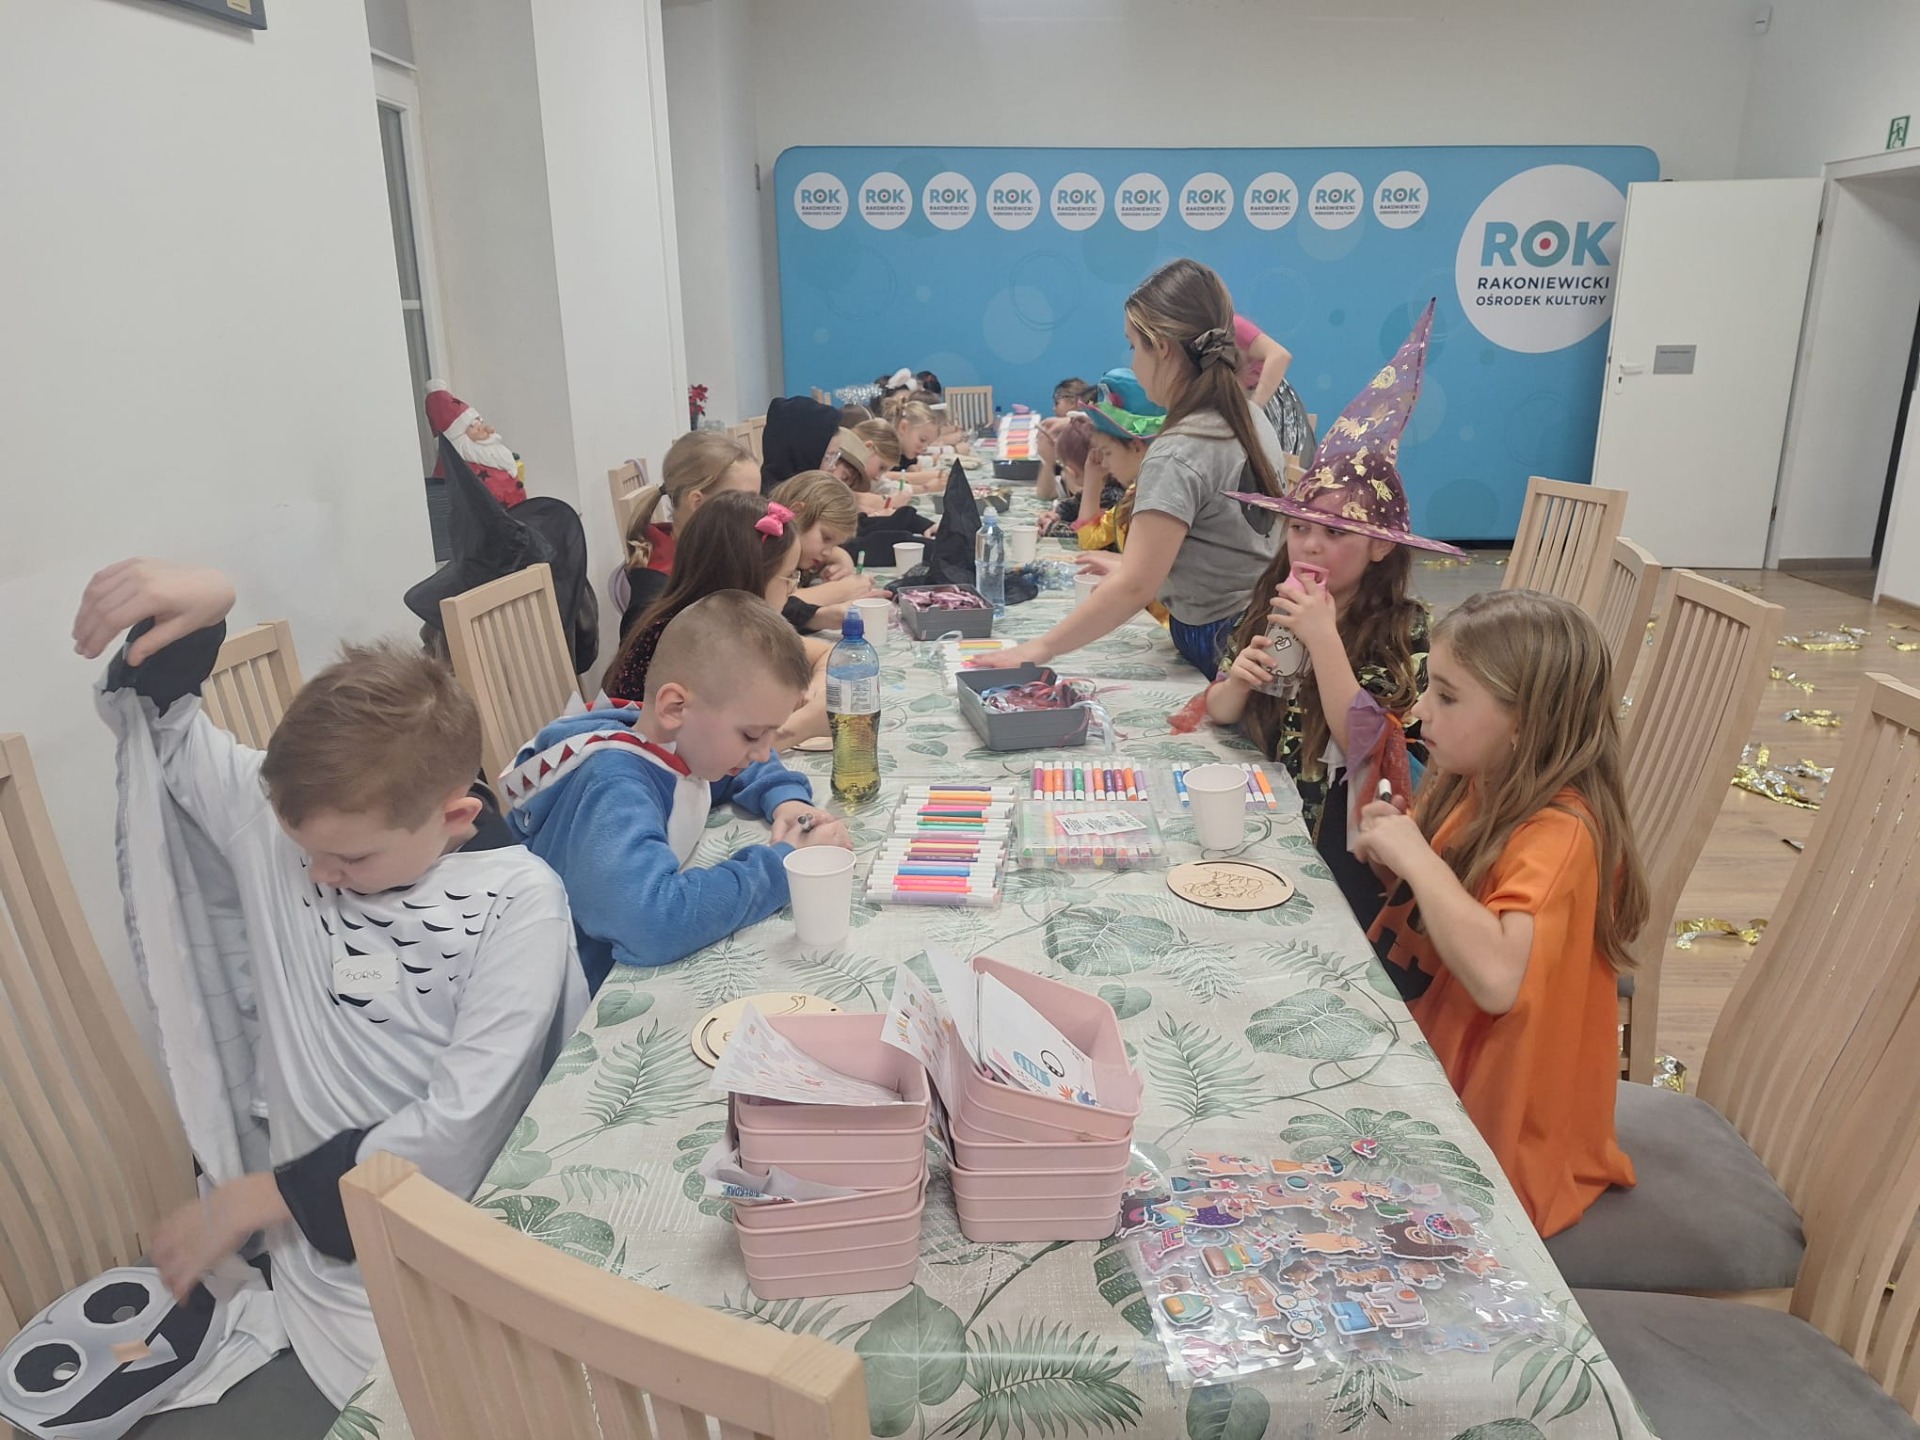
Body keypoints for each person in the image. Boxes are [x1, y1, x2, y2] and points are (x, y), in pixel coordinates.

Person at [74, 558, 586, 1406]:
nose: (316, 875)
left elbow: (463, 1124)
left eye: (349, 859)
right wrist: (207, 613)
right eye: (303, 849)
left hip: (451, 1258)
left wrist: (263, 1196)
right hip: (310, 1267)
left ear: (456, 816)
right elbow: (168, 731)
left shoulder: (516, 903)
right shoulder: (291, 829)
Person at [1358, 589, 1647, 1238]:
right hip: (1428, 1081)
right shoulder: (1478, 779)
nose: (1420, 710)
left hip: (1495, 1152)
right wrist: (1396, 856)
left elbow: (1495, 981)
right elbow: (1442, 918)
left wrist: (1419, 860)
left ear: (1526, 721)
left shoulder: (1561, 834)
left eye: (1447, 696)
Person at [1206, 301, 1458, 923]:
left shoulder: (1403, 628)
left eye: (1336, 533)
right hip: (1272, 821)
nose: (1311, 546)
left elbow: (1373, 750)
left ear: (1380, 547)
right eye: (1299, 528)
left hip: (1346, 852)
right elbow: (1220, 709)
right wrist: (1238, 682)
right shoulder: (1274, 599)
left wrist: (1323, 638)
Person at [504, 592, 852, 991]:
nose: (762, 752)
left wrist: (785, 799)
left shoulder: (676, 739)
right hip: (570, 989)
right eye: (752, 734)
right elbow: (653, 924)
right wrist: (782, 865)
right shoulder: (615, 787)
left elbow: (733, 770)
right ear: (674, 707)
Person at [983, 259, 1284, 677]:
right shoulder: (1251, 417)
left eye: (1132, 346)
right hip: (1261, 632)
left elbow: (1136, 587)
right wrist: (1132, 567)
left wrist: (1040, 647)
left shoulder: (1179, 449)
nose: (1134, 361)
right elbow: (1220, 548)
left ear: (1161, 347)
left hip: (1218, 642)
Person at [602, 490, 806, 705]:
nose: (792, 588)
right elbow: (731, 726)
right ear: (748, 578)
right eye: (789, 576)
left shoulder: (728, 625)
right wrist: (807, 718)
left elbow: (815, 653)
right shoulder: (692, 643)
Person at [620, 431, 760, 635]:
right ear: (697, 502)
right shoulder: (661, 598)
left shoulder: (708, 553)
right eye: (744, 502)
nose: (758, 514)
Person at [770, 469, 871, 633]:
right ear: (796, 514)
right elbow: (768, 605)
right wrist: (842, 589)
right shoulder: (763, 553)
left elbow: (836, 554)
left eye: (834, 544)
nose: (827, 553)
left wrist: (843, 560)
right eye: (826, 538)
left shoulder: (801, 552)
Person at [426, 380, 526, 508]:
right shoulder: (457, 466)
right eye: (472, 425)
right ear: (458, 436)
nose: (480, 428)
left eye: (479, 422)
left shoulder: (489, 453)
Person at [1232, 314, 1317, 462]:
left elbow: (1280, 356)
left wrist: (1253, 409)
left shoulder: (1232, 324)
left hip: (1269, 400)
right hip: (1238, 401)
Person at [759, 395, 842, 493]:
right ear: (805, 456)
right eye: (828, 458)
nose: (833, 467)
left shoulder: (805, 491)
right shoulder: (784, 499)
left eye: (836, 457)